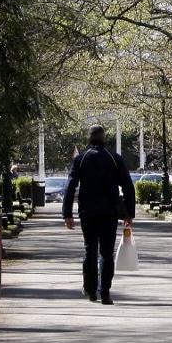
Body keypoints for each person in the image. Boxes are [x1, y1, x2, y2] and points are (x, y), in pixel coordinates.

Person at [63, 125, 135, 304]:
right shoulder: (114, 158)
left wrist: (67, 214)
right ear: (104, 138)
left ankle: (90, 290)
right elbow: (127, 186)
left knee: (90, 250)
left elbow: (70, 186)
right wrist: (129, 213)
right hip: (109, 212)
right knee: (106, 253)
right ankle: (105, 293)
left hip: (87, 212)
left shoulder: (81, 159)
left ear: (89, 139)